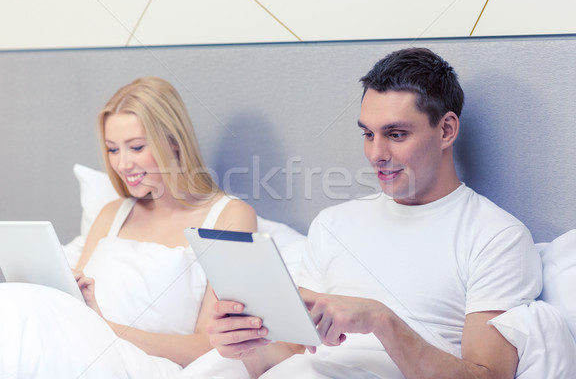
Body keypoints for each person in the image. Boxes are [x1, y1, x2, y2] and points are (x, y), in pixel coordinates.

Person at [204, 48, 542, 379]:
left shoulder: (495, 236)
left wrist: (382, 321)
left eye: (396, 134)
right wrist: (246, 344)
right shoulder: (333, 224)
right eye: (368, 134)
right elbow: (291, 356)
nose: (376, 154)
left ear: (446, 130)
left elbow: (488, 375)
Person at [0, 77, 257, 378]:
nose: (122, 164)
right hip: (78, 342)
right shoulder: (113, 213)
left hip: (138, 362)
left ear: (174, 142)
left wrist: (104, 329)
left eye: (135, 147)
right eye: (112, 150)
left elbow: (211, 347)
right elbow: (75, 306)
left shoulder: (229, 216)